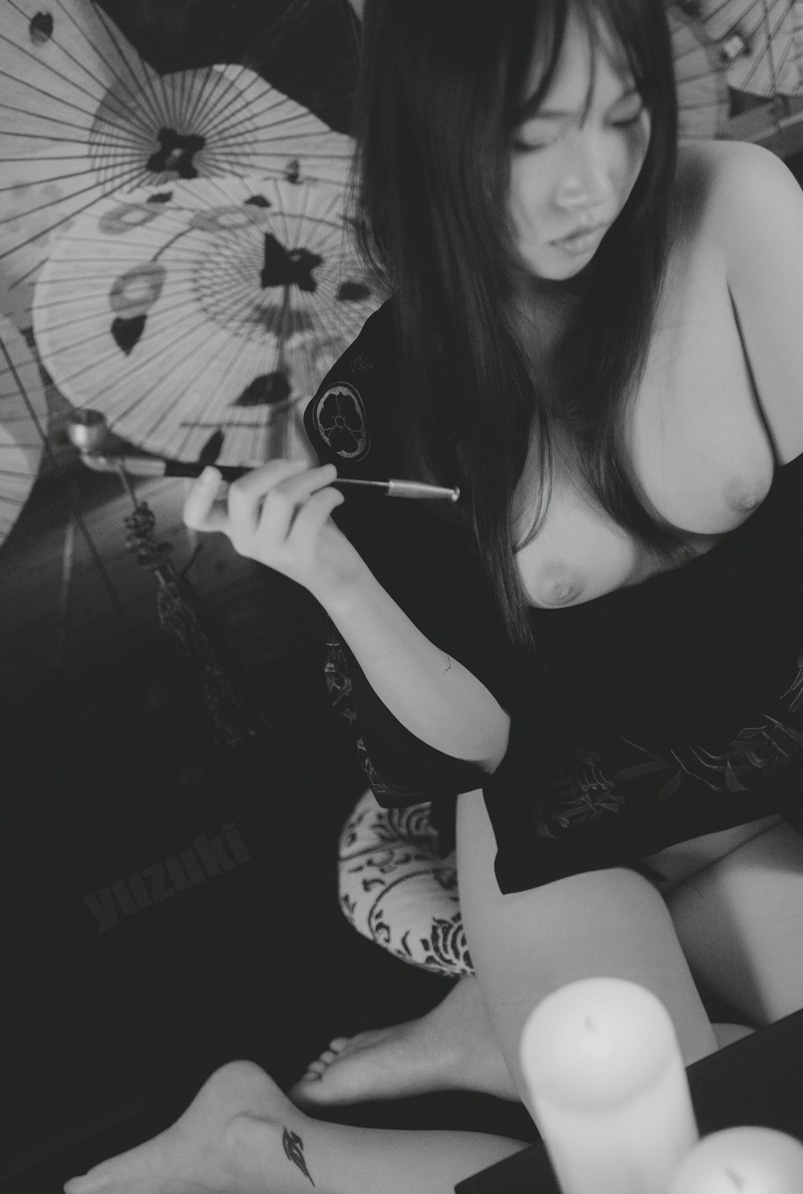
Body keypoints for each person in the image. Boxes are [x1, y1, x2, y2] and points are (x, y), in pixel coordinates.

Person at [63, 0, 803, 1190]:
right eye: (534, 137)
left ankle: (460, 1054)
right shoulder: (380, 396)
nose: (593, 182)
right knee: (653, 1175)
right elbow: (475, 745)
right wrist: (335, 577)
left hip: (762, 785)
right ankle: (271, 1140)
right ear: (436, 136)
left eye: (622, 116)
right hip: (573, 820)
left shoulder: (736, 210)